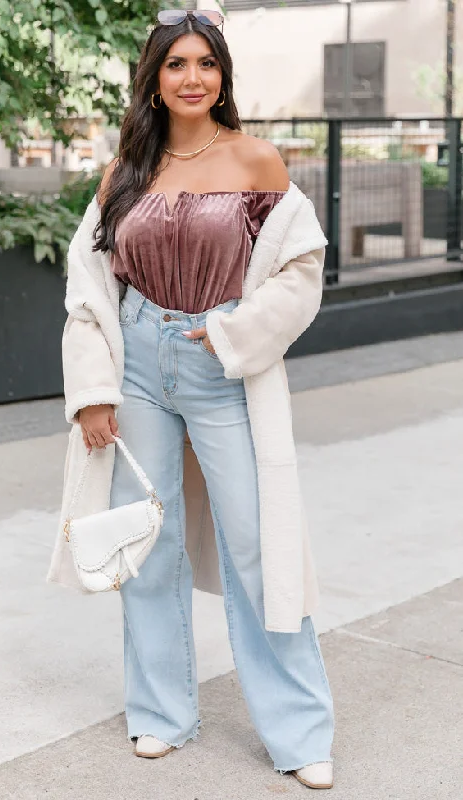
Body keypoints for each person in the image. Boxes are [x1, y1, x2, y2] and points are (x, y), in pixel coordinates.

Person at [47, 8, 335, 791]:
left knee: (257, 544)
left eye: (205, 63)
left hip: (222, 369)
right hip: (137, 363)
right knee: (147, 544)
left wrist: (234, 332)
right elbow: (89, 289)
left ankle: (300, 732)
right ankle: (160, 713)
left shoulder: (255, 161)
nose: (191, 77)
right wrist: (93, 393)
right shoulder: (123, 174)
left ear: (222, 76)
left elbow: (301, 271)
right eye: (175, 64)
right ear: (154, 78)